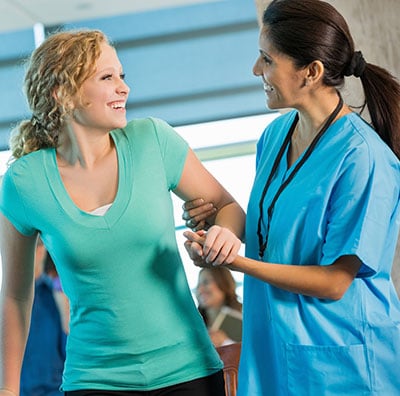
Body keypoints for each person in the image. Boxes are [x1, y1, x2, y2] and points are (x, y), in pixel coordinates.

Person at [0, 29, 246, 396]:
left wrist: (222, 236)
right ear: (64, 94)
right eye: (107, 77)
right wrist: (7, 390)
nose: (124, 88)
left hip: (188, 371)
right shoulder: (24, 182)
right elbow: (16, 297)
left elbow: (228, 208)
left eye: (122, 76)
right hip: (94, 381)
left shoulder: (154, 141)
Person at [182, 0, 400, 395]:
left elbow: (335, 281)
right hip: (274, 349)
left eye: (267, 59)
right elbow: (277, 236)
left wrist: (238, 263)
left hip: (341, 361)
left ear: (311, 72)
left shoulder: (363, 157)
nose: (255, 70)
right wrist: (219, 231)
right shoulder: (274, 137)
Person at [20, 239, 67, 396]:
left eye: (36, 248)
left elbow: (71, 352)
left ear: (43, 251)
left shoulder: (58, 294)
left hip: (54, 391)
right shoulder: (7, 301)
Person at [196, 267, 242, 347]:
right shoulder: (194, 323)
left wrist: (225, 342)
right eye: (198, 285)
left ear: (223, 283)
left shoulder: (244, 323)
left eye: (206, 282)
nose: (200, 290)